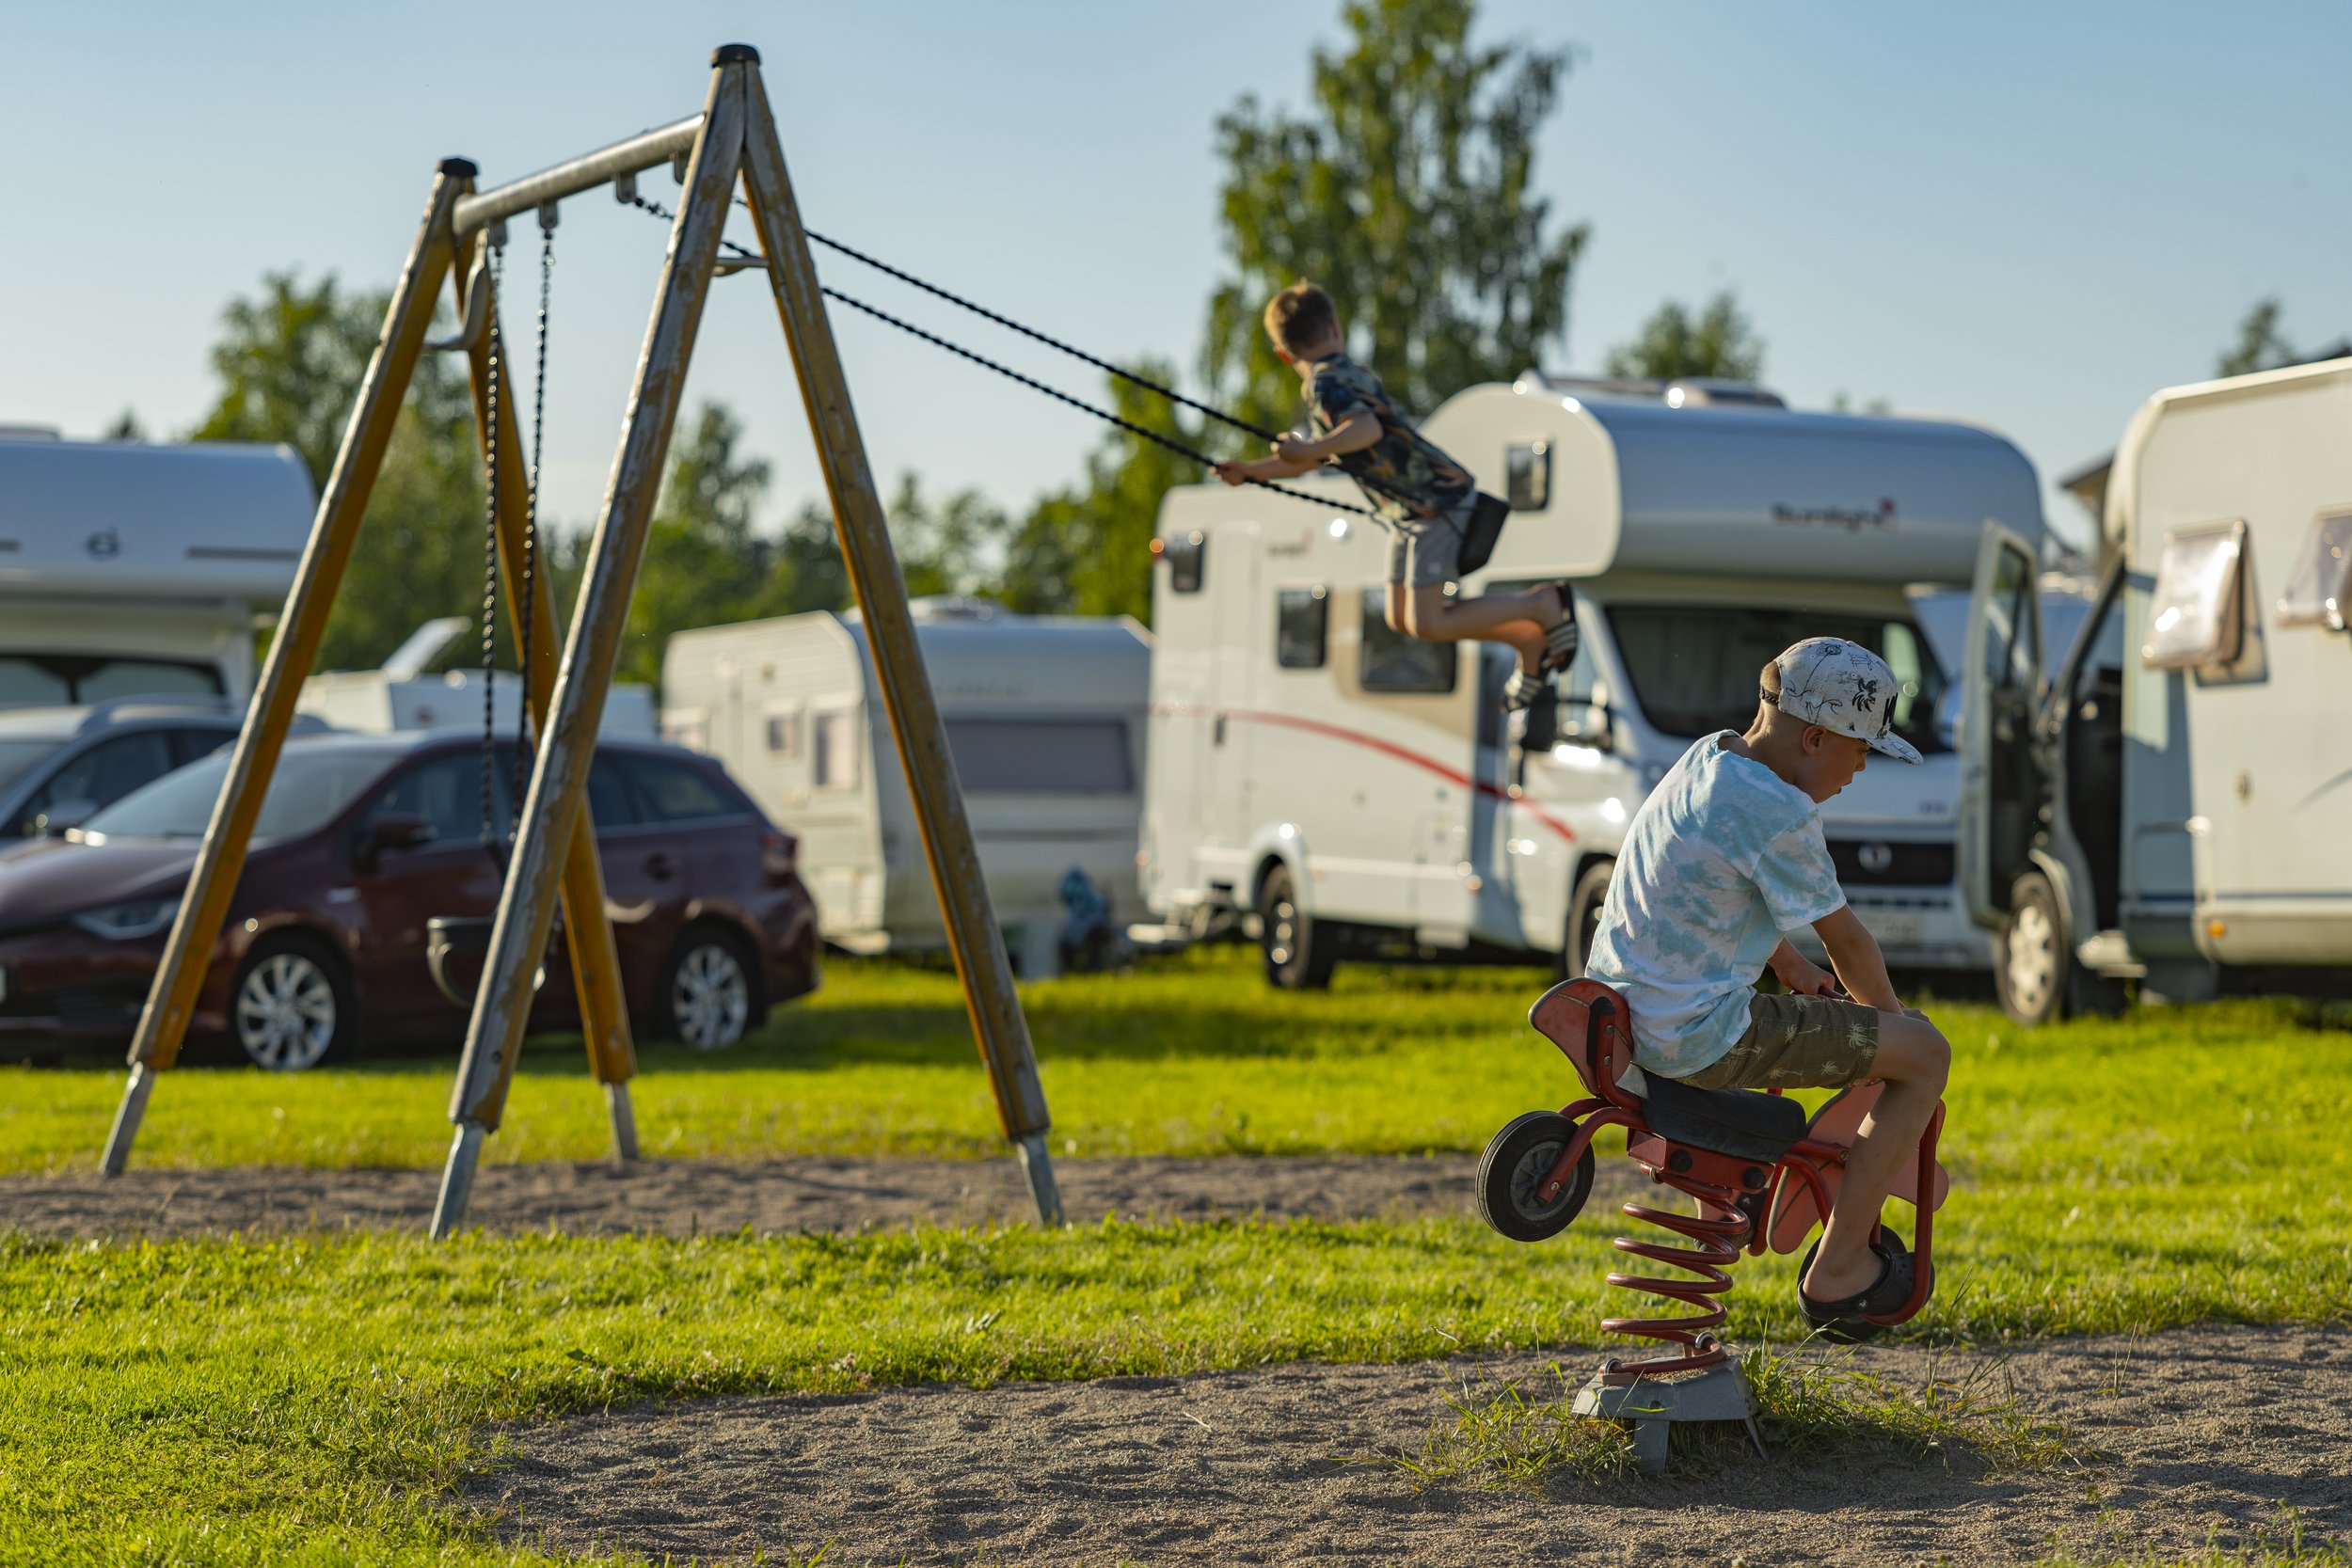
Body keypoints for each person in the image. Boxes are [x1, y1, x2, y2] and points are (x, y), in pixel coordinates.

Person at [1582, 638, 1951, 1337]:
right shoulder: (1779, 808)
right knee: (1925, 1054)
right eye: (1860, 749)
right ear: (1815, 737)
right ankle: (1840, 1270)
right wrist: (1899, 1030)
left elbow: (1708, 890)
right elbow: (1847, 940)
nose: (1860, 767)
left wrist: (1788, 966)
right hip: (1698, 1037)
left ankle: (1732, 1204)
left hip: (1636, 1013)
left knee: (1895, 1042)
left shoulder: (1711, 759)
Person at [1214, 280, 1577, 708]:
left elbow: (1363, 431)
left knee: (1426, 620)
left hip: (1433, 500)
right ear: (1335, 327)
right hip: (1411, 510)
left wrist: (1310, 447)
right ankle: (1527, 638)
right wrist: (1251, 472)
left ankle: (1540, 604)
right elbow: (1320, 456)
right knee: (1401, 618)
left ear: (1283, 354)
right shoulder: (1346, 374)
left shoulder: (1324, 384)